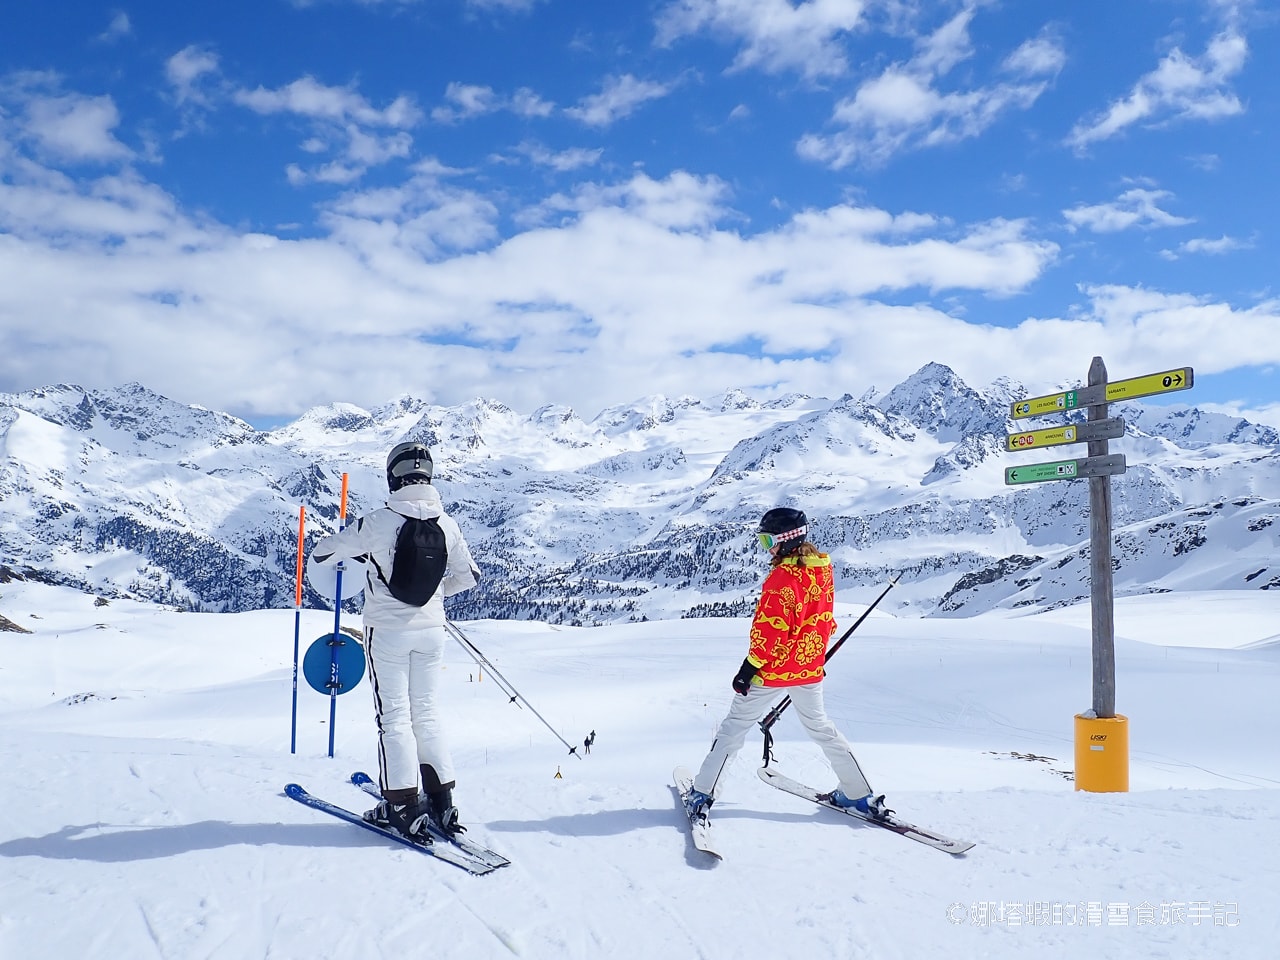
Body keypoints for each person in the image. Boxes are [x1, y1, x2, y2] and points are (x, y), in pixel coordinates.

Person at [311, 441, 481, 840]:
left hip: (387, 632)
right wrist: (435, 594)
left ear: (393, 477)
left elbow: (322, 554)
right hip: (432, 631)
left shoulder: (377, 523)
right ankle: (443, 803)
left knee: (393, 718)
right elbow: (469, 576)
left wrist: (362, 561)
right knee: (426, 712)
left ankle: (402, 804)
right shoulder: (448, 525)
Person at [686, 507, 888, 820]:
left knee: (733, 730)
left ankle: (702, 794)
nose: (766, 548)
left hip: (772, 672)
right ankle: (859, 794)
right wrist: (814, 653)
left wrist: (748, 670)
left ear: (786, 541)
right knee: (821, 728)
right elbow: (823, 620)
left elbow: (770, 631)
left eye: (768, 541)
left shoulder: (780, 580)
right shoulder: (822, 570)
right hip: (809, 668)